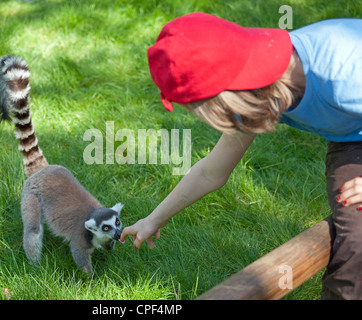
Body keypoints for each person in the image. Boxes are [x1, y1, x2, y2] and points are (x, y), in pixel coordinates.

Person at [119, 13, 362, 300]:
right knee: (354, 233)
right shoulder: (260, 90)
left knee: (358, 242)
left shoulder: (344, 73)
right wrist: (153, 219)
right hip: (351, 136)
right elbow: (212, 172)